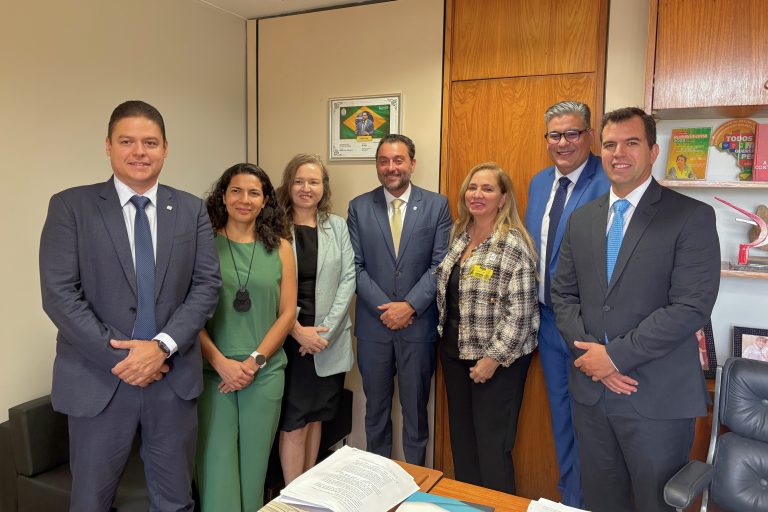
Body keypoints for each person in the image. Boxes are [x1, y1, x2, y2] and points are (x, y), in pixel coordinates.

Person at [39, 100, 222, 511]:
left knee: (175, 502)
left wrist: (161, 348)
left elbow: (206, 286)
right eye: (127, 141)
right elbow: (60, 294)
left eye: (150, 142)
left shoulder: (191, 209)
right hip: (98, 380)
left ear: (165, 148)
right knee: (91, 502)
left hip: (171, 380)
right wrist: (125, 358)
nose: (139, 151)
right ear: (108, 145)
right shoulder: (71, 207)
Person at [552, 107, 721, 512]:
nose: (619, 153)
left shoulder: (691, 216)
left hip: (656, 397)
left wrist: (613, 357)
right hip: (592, 394)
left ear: (653, 151)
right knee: (601, 502)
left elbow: (691, 306)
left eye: (631, 143)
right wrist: (594, 359)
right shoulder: (581, 220)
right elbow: (563, 296)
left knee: (654, 505)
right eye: (610, 144)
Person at [523, 100, 610, 507]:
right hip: (546, 323)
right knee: (560, 419)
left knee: (590, 424)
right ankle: (570, 500)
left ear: (589, 136)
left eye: (572, 133)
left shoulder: (608, 180)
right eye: (555, 135)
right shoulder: (539, 182)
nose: (563, 143)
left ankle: (586, 502)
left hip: (587, 327)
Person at [196, 163, 297, 510]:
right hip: (213, 374)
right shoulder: (202, 245)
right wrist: (220, 362)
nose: (245, 199)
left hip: (264, 373)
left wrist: (253, 363)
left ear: (265, 200)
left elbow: (287, 314)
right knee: (216, 469)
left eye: (254, 192)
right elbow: (188, 315)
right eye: (236, 191)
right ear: (223, 197)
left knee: (254, 472)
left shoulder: (281, 247)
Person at [347, 134, 452, 465]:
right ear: (377, 165)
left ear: (412, 163)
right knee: (375, 412)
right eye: (384, 161)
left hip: (417, 327)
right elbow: (355, 267)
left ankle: (415, 482)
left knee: (416, 413)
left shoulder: (437, 205)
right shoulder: (359, 207)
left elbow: (440, 264)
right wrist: (386, 309)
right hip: (373, 328)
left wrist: (409, 307)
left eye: (398, 160)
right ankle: (379, 481)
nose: (391, 167)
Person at [435, 163, 539, 494]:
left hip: (498, 362)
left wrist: (492, 359)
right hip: (455, 354)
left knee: (492, 447)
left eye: (487, 189)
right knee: (462, 442)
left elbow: (520, 313)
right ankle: (470, 505)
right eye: (472, 187)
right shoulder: (460, 235)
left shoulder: (512, 243)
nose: (477, 194)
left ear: (503, 198)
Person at [275, 154, 356, 484]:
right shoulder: (274, 227)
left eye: (313, 181)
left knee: (316, 419)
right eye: (299, 181)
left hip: (327, 340)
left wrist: (323, 333)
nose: (306, 188)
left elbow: (348, 278)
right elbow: (269, 284)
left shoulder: (336, 225)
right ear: (288, 185)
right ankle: (292, 498)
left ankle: (307, 492)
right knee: (294, 423)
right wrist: (296, 330)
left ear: (324, 187)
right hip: (289, 341)